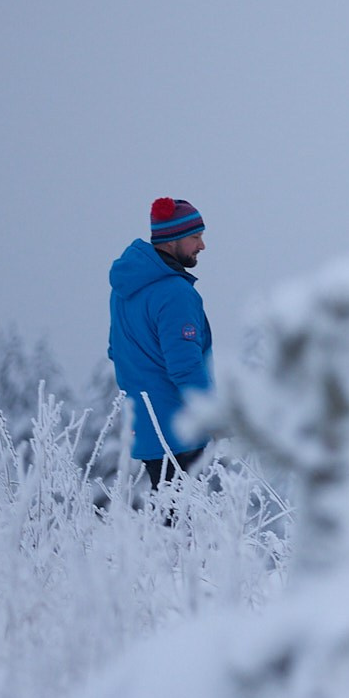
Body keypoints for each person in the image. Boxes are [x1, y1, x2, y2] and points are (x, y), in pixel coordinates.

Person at [107, 197, 214, 484]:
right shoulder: (175, 293)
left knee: (166, 508)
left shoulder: (125, 290)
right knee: (184, 511)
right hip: (180, 430)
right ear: (171, 240)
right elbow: (185, 366)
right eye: (195, 237)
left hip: (146, 428)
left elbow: (116, 351)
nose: (202, 246)